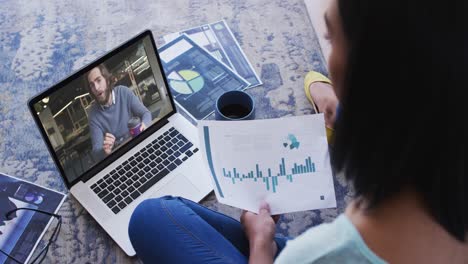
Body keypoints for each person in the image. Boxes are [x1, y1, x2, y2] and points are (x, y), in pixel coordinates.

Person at [127, 0, 467, 263]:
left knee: (150, 218)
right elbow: (315, 80)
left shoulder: (319, 253)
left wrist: (263, 246)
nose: (328, 58)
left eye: (331, 39)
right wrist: (334, 99)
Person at [85, 64, 152, 159]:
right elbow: (96, 152)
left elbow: (146, 114)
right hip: (120, 156)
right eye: (92, 85)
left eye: (98, 80)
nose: (96, 88)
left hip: (138, 143)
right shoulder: (93, 115)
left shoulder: (123, 92)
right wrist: (104, 150)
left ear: (107, 80)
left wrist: (144, 125)